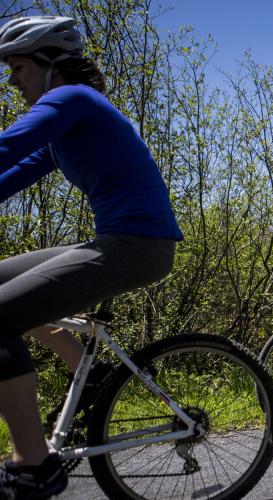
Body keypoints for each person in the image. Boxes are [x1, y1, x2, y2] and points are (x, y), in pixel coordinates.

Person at [0, 16, 183, 499]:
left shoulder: (72, 99)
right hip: (116, 241)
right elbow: (9, 175)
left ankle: (34, 466)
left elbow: (5, 147)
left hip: (139, 245)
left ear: (50, 64)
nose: (12, 79)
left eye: (17, 67)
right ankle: (91, 368)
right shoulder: (66, 132)